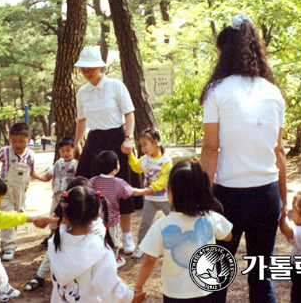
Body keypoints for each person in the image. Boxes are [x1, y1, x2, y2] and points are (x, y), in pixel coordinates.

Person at [199, 15, 286, 303]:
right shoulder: (274, 93)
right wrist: (282, 204)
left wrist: (201, 195)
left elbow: (211, 149)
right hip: (267, 194)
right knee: (263, 276)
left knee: (216, 276)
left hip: (228, 197)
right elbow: (279, 152)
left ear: (225, 52)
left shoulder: (217, 91)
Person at [134, 160, 233, 303]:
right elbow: (228, 236)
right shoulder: (210, 218)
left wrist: (138, 286)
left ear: (171, 192)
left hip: (174, 292)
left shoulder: (161, 225)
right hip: (205, 289)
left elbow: (149, 259)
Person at [74, 46, 139, 255]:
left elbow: (129, 114)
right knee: (85, 184)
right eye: (83, 69)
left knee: (123, 186)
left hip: (117, 138)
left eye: (90, 68)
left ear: (100, 66)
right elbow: (81, 120)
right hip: (94, 140)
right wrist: (77, 143)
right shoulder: (82, 92)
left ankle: (127, 237)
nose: (87, 72)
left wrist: (129, 138)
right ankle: (91, 232)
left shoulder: (115, 86)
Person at [48, 185, 147, 303]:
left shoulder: (55, 241)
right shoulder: (100, 250)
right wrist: (132, 297)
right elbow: (110, 289)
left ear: (64, 214)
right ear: (97, 215)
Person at [25, 176, 103, 292]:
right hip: (72, 233)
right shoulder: (66, 203)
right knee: (55, 244)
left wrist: (46, 220)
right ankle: (40, 276)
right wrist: (46, 220)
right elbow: (60, 217)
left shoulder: (91, 203)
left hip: (92, 237)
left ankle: (91, 279)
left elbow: (72, 219)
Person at [0, 122, 39, 261]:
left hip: (21, 192)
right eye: (14, 141)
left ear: (29, 140)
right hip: (5, 191)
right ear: (9, 139)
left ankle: (8, 242)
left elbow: (32, 172)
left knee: (16, 217)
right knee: (7, 216)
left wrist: (43, 178)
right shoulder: (5, 151)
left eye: (21, 141)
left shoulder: (30, 155)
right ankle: (9, 246)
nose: (17, 145)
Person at [90, 150, 150, 267]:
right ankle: (113, 259)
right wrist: (146, 191)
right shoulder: (119, 183)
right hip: (111, 221)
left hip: (95, 221)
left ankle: (97, 260)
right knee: (113, 241)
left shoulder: (93, 181)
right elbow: (132, 191)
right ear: (115, 169)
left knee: (96, 240)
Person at [128, 128, 172, 258]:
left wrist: (151, 188)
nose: (143, 148)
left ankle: (175, 245)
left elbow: (164, 180)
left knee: (173, 220)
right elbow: (136, 167)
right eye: (141, 145)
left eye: (145, 144)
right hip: (150, 199)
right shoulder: (145, 159)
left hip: (165, 198)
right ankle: (141, 247)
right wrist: (130, 154)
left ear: (156, 143)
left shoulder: (166, 161)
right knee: (145, 223)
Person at [36, 137, 77, 243]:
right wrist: (48, 173)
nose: (65, 153)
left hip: (68, 194)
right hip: (57, 193)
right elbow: (51, 170)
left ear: (74, 149)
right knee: (53, 212)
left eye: (68, 150)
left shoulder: (75, 163)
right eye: (62, 151)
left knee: (67, 214)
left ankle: (69, 234)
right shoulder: (59, 162)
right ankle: (53, 235)